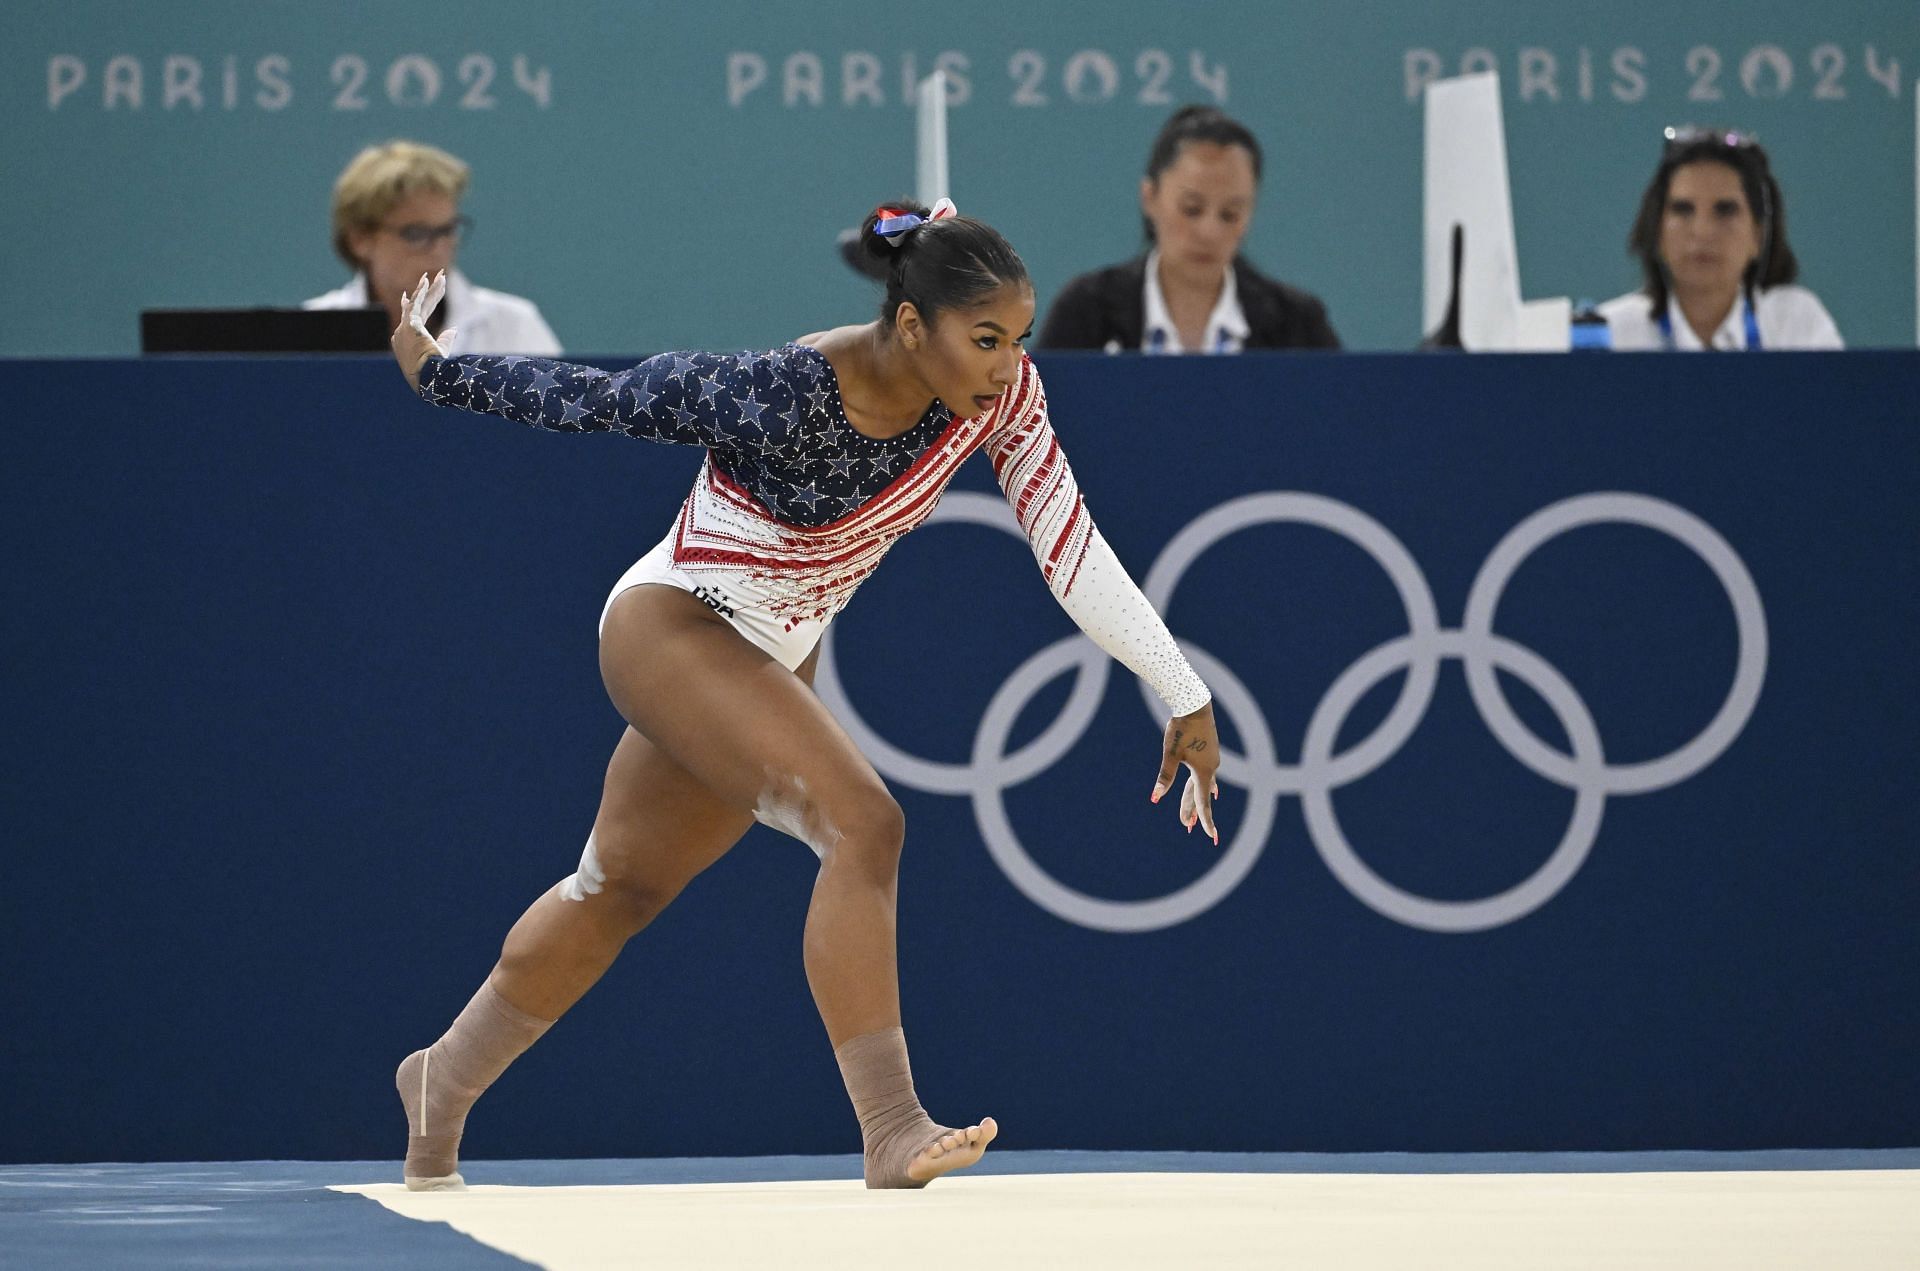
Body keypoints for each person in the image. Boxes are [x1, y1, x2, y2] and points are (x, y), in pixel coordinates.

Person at [383, 199, 1225, 1192]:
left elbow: (1070, 545)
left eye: (1020, 338)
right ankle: (891, 1124)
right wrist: (437, 369)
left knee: (618, 887)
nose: (1009, 363)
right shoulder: (778, 391)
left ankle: (441, 1079)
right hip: (676, 623)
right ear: (913, 327)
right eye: (986, 338)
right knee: (866, 824)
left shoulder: (1003, 399)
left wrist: (1181, 689)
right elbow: (598, 395)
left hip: (774, 655)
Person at [1037, 105, 1338, 353]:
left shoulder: (1297, 325)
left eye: (1230, 214)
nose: (1209, 232)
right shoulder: (1087, 312)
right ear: (1150, 197)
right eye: (1191, 209)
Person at [307, 140, 561, 356]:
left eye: (447, 230)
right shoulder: (310, 331)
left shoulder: (514, 325)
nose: (439, 248)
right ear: (360, 239)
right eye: (417, 233)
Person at [1599, 127, 1841, 351]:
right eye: (1683, 210)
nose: (1703, 231)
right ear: (1657, 231)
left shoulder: (1795, 323)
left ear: (1758, 236)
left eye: (1725, 211)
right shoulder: (1610, 334)